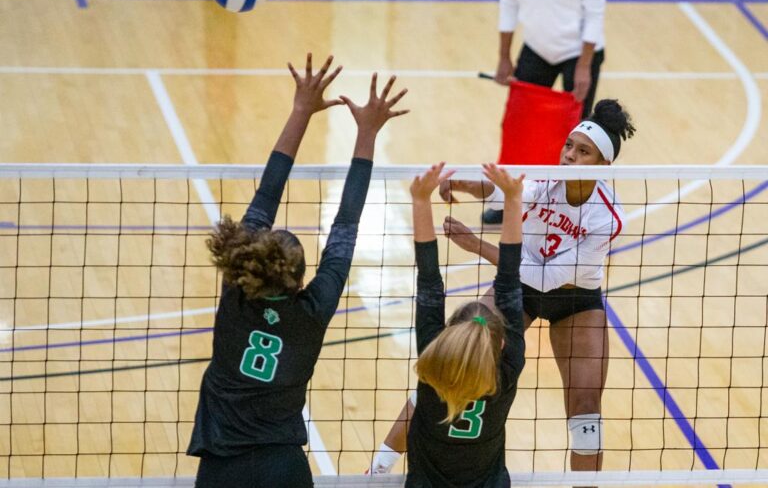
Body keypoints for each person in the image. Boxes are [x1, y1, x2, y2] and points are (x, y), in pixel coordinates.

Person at [370, 99, 635, 476]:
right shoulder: (546, 179)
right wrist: (464, 183)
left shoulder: (607, 218)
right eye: (569, 146)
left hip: (573, 301)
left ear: (603, 165)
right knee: (450, 364)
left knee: (586, 406)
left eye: (583, 151)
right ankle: (377, 469)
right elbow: (504, 193)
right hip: (518, 290)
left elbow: (547, 278)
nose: (569, 156)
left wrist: (478, 246)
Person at [187, 53, 409, 488]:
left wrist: (301, 111)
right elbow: (346, 223)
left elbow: (268, 190)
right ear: (301, 280)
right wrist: (366, 133)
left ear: (251, 262)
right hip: (283, 468)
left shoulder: (237, 291)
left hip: (221, 464)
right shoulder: (313, 309)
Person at [405, 161, 526, 488]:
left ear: (448, 336)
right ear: (501, 345)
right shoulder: (507, 370)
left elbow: (429, 282)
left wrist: (420, 200)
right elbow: (511, 281)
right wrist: (514, 201)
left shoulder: (433, 363)